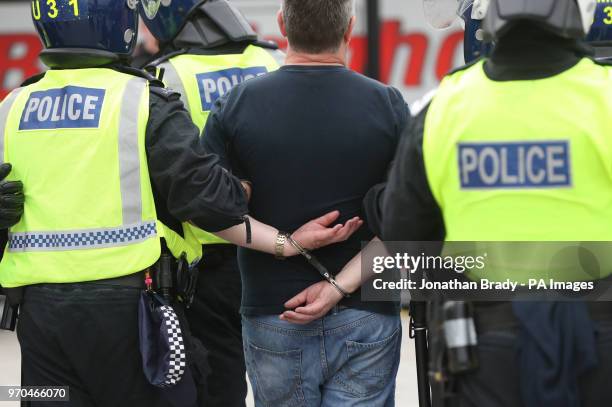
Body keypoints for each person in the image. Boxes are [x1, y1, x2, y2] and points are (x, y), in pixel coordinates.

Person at [0, 1, 362, 405]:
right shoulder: (144, 97)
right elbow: (208, 197)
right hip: (137, 313)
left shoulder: (12, 105)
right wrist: (259, 210)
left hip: (38, 321)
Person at [202, 0, 410, 405]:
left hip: (273, 312)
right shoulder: (388, 105)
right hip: (369, 309)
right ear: (350, 28)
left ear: (282, 25)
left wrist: (286, 243)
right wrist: (338, 287)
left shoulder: (237, 105)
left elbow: (208, 209)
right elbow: (409, 219)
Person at [138, 2, 283, 405]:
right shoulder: (274, 59)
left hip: (205, 264)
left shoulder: (163, 76)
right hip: (282, 251)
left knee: (220, 387)